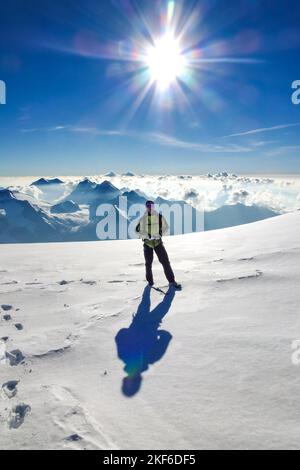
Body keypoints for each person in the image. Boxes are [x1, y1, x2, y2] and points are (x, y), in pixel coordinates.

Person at [135, 200, 181, 289]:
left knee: (165, 262)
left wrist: (159, 234)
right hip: (147, 244)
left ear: (153, 206)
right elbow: (137, 230)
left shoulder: (159, 217)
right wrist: (146, 236)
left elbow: (166, 227)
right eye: (148, 205)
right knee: (148, 264)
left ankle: (172, 281)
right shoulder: (143, 219)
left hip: (158, 243)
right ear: (146, 207)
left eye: (151, 205)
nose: (150, 207)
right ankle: (150, 283)